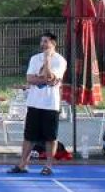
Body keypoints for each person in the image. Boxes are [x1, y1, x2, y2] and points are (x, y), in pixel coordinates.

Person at [8, 32, 67, 175]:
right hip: (34, 103)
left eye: (45, 41)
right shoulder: (34, 59)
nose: (42, 44)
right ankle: (22, 165)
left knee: (50, 137)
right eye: (41, 42)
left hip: (50, 105)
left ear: (53, 43)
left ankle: (48, 166)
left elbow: (53, 79)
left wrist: (47, 62)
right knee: (29, 136)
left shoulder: (60, 60)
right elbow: (30, 79)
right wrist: (45, 79)